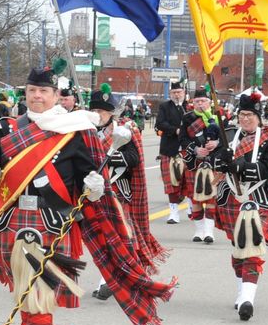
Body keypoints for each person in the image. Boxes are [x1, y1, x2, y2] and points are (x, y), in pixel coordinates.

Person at [0, 65, 173, 325]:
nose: (36, 95)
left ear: (55, 95)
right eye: (31, 90)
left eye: (43, 91)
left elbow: (89, 173)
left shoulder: (74, 130)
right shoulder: (10, 128)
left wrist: (94, 184)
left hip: (50, 224)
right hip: (13, 222)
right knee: (26, 294)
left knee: (37, 295)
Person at [210, 91, 268, 319]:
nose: (245, 119)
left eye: (250, 115)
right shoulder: (229, 135)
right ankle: (242, 290)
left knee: (252, 248)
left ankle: (247, 300)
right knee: (238, 248)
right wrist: (221, 161)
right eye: (242, 114)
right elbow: (215, 161)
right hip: (232, 197)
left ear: (258, 117)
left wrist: (241, 166)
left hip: (259, 198)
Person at [90, 84, 167, 300]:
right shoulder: (83, 132)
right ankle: (114, 278)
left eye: (102, 112)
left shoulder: (123, 131)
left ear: (110, 113)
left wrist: (111, 157)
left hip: (117, 192)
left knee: (120, 238)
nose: (98, 115)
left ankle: (109, 281)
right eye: (94, 111)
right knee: (102, 240)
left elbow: (133, 158)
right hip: (92, 194)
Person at [181, 87, 225, 244]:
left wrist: (217, 142)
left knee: (212, 198)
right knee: (195, 198)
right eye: (197, 101)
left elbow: (228, 137)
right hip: (195, 162)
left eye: (203, 101)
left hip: (214, 162)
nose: (200, 104)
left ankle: (209, 231)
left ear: (209, 102)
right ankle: (199, 230)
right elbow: (183, 140)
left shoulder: (219, 117)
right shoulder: (187, 119)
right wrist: (196, 149)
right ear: (193, 103)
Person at [155, 81, 189, 224]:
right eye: (174, 92)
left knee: (187, 181)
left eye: (179, 92)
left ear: (184, 93)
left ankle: (192, 206)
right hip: (169, 148)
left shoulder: (189, 107)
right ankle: (173, 212)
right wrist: (175, 130)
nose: (177, 95)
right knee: (171, 182)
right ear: (171, 94)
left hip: (188, 149)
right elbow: (160, 123)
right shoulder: (164, 107)